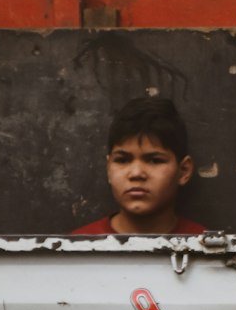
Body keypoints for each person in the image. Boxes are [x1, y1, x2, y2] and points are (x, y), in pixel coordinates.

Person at [74, 96, 207, 234]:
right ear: (108, 169)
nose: (136, 173)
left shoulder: (208, 250)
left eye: (154, 160)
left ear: (184, 171)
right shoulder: (74, 249)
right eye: (122, 160)